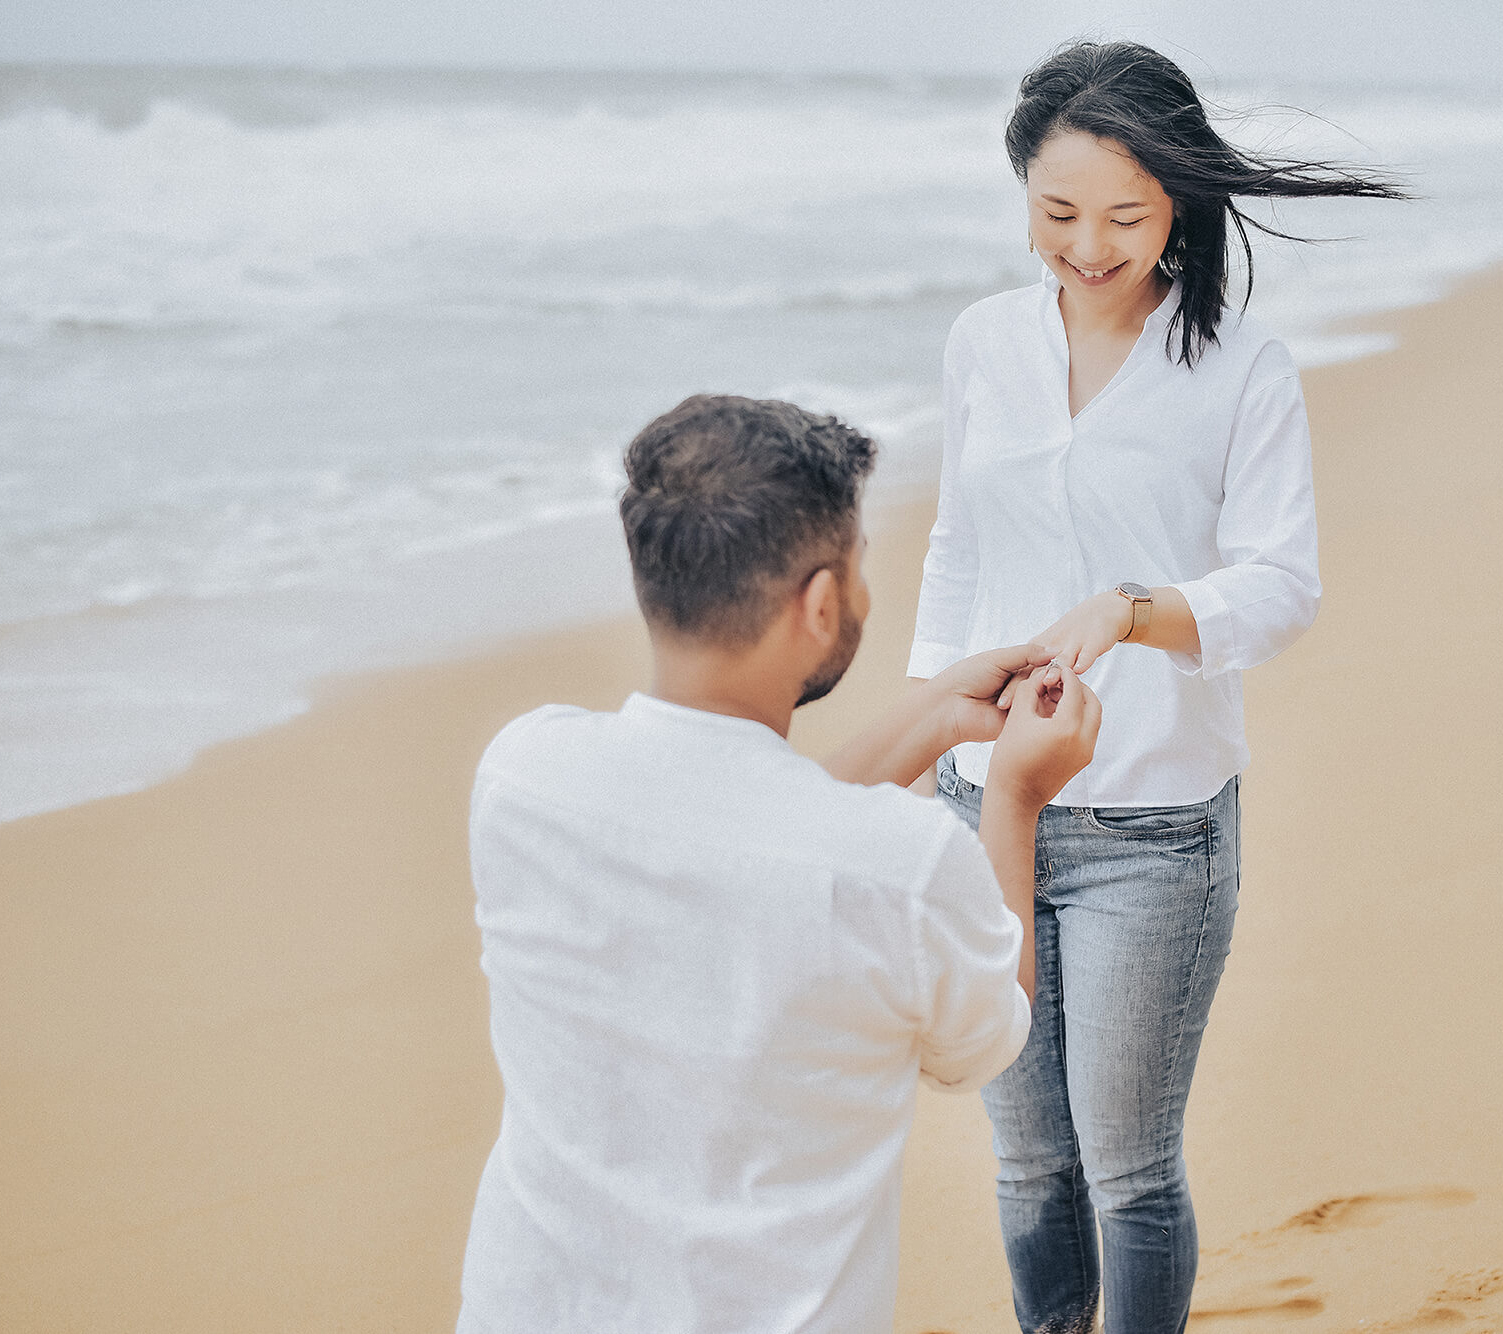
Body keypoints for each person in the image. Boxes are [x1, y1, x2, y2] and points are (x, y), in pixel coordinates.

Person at [909, 42, 1405, 1334]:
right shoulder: (980, 344)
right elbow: (957, 545)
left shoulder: (1242, 367)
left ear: (1178, 201)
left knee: (1126, 1164)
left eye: (1125, 216)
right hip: (984, 812)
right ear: (1022, 194)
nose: (1088, 244)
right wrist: (924, 744)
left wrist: (1136, 609)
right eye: (1059, 212)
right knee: (1027, 1158)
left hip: (1154, 827)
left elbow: (1282, 586)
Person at [458, 394, 1100, 1332]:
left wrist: (937, 720)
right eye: (860, 568)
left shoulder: (523, 776)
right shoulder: (902, 866)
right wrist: (1014, 798)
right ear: (823, 603)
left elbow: (746, 834)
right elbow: (990, 1035)